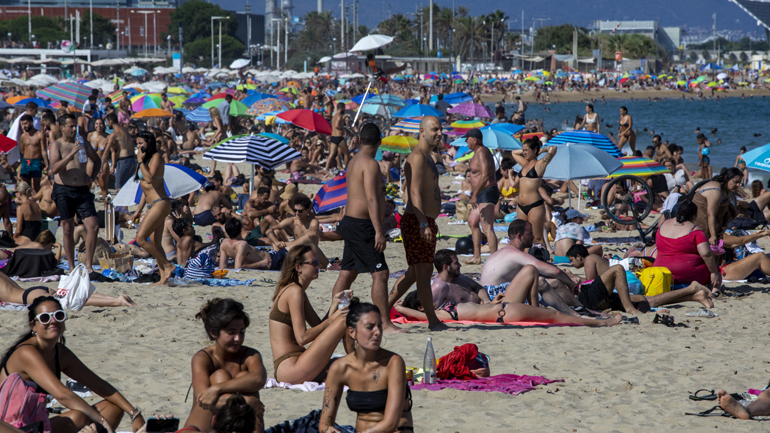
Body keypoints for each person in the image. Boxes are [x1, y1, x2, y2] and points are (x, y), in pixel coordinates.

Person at [0, 296, 145, 433]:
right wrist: (101, 420)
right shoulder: (26, 352)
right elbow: (62, 395)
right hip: (12, 427)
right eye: (45, 318)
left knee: (114, 407)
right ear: (33, 325)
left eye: (58, 315)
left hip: (36, 423)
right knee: (78, 417)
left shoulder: (59, 353)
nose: (53, 321)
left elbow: (99, 385)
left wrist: (133, 412)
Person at [330, 123, 398, 332]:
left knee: (348, 272)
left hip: (350, 222)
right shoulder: (370, 164)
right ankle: (384, 323)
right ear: (379, 142)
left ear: (360, 140)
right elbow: (371, 198)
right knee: (380, 273)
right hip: (362, 225)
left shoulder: (353, 161)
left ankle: (332, 316)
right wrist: (379, 231)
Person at [386, 116, 449, 331]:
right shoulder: (418, 157)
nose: (439, 133)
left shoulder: (429, 156)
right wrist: (423, 224)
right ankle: (433, 321)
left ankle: (383, 309)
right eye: (434, 129)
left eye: (440, 128)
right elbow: (413, 192)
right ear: (422, 131)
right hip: (416, 221)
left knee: (415, 273)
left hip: (424, 220)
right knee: (423, 272)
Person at [319, 301, 414, 433]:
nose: (377, 332)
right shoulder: (340, 368)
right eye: (370, 327)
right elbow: (324, 423)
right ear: (352, 332)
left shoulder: (392, 363)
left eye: (379, 326)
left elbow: (391, 423)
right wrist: (328, 430)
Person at [268, 245, 350, 384]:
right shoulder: (294, 292)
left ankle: (358, 361)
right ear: (298, 267)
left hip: (294, 364)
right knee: (343, 320)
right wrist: (332, 320)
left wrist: (334, 304)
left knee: (346, 366)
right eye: (314, 263)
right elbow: (302, 338)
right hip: (291, 367)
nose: (319, 266)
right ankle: (359, 358)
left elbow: (319, 327)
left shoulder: (294, 290)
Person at [183, 299, 266, 433]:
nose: (238, 338)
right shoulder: (203, 358)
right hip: (203, 428)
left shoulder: (250, 355)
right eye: (231, 332)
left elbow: (259, 379)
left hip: (236, 425)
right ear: (214, 333)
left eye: (242, 332)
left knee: (244, 376)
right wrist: (247, 402)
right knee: (220, 375)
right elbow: (204, 399)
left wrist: (217, 388)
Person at [481, 220, 591, 315]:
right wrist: (571, 284)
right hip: (497, 298)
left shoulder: (505, 251)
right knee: (554, 283)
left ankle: (578, 309)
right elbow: (555, 271)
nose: (533, 237)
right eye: (530, 234)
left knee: (549, 282)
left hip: (490, 295)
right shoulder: (515, 254)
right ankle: (578, 310)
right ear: (519, 236)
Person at [566, 244, 714, 313]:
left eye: (572, 260)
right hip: (626, 276)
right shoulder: (594, 257)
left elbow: (590, 282)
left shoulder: (589, 259)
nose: (572, 264)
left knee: (650, 299)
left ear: (579, 256)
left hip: (625, 277)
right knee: (650, 299)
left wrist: (572, 277)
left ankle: (692, 290)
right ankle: (694, 295)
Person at [48, 113, 101, 271]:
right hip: (64, 190)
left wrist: (91, 177)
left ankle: (89, 266)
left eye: (75, 126)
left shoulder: (82, 141)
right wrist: (71, 153)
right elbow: (55, 168)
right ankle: (72, 266)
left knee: (93, 226)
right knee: (68, 227)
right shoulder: (56, 145)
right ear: (62, 127)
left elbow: (96, 160)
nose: (73, 129)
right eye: (70, 126)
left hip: (82, 190)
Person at [396, 290, 621, 327]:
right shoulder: (435, 315)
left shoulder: (441, 310)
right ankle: (600, 323)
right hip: (504, 313)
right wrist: (397, 307)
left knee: (555, 316)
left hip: (501, 310)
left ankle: (598, 322)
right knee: (555, 316)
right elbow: (416, 315)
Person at [133, 131, 175, 285]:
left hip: (161, 202)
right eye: (137, 143)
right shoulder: (146, 159)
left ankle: (168, 265)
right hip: (153, 204)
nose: (138, 146)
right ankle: (164, 277)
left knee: (141, 239)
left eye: (140, 143)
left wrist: (140, 162)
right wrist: (138, 210)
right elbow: (145, 189)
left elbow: (149, 179)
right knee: (156, 243)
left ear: (148, 143)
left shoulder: (156, 157)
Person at [654, 200, 722, 293]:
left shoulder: (662, 225)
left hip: (661, 272)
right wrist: (714, 272)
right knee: (715, 268)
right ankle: (715, 291)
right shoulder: (695, 231)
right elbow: (706, 254)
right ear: (694, 216)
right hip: (685, 274)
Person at [511, 138, 557, 249]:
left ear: (535, 149)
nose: (524, 153)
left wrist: (540, 151)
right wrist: (526, 150)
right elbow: (513, 152)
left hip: (534, 206)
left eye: (526, 150)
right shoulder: (524, 164)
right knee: (523, 238)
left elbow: (553, 148)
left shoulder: (540, 164)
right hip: (521, 206)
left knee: (537, 238)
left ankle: (543, 260)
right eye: (523, 150)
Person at [464, 128, 499, 265]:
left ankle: (494, 259)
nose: (466, 141)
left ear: (475, 139)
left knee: (487, 226)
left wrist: (475, 194)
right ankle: (477, 256)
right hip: (481, 193)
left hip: (487, 191)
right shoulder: (476, 153)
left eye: (467, 138)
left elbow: (484, 176)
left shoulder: (482, 152)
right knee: (472, 222)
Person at [692, 168, 742, 246]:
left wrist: (724, 227)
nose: (738, 185)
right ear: (726, 179)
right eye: (735, 182)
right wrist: (713, 236)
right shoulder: (715, 190)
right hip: (699, 225)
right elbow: (710, 214)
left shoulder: (726, 190)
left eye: (739, 182)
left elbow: (725, 211)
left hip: (714, 226)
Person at [219, 218, 288, 271]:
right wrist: (261, 263)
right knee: (294, 245)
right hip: (273, 261)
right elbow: (238, 267)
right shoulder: (242, 244)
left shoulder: (224, 243)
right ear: (240, 230)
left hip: (272, 257)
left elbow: (222, 267)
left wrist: (233, 265)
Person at [104, 113, 136, 192]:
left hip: (124, 161)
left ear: (111, 121)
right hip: (131, 159)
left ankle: (122, 204)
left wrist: (101, 165)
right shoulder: (125, 130)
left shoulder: (114, 134)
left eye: (107, 122)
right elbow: (130, 144)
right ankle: (125, 204)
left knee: (119, 187)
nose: (107, 124)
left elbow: (106, 152)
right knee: (127, 186)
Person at [18, 114, 47, 193]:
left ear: (31, 122)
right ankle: (28, 202)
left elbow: (44, 151)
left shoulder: (40, 135)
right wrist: (21, 164)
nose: (24, 126)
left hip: (36, 162)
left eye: (25, 123)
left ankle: (37, 202)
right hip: (26, 161)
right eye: (22, 124)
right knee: (26, 186)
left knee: (36, 185)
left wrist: (47, 165)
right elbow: (22, 151)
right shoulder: (23, 136)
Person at [13, 181, 42, 245]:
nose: (15, 194)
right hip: (37, 237)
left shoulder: (21, 208)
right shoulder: (36, 205)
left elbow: (18, 231)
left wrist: (13, 239)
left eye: (15, 192)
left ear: (19, 193)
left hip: (26, 238)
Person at [327, 102, 350, 171]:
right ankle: (346, 168)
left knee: (332, 154)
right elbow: (337, 126)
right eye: (344, 108)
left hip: (333, 137)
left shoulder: (334, 116)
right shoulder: (339, 115)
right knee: (346, 153)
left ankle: (326, 168)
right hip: (339, 137)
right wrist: (343, 129)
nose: (345, 110)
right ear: (340, 108)